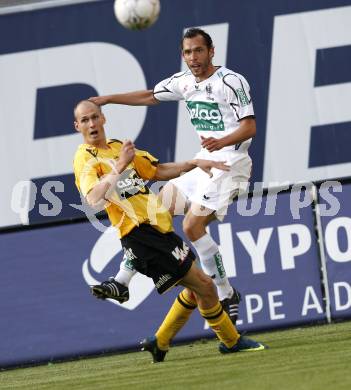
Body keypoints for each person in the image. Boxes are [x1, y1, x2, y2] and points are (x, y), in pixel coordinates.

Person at [73, 100, 266, 362]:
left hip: (159, 231)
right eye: (84, 120)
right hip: (140, 235)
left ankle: (159, 341)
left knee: (195, 288)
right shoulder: (85, 157)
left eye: (94, 117)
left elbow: (158, 170)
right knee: (206, 287)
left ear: (103, 119)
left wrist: (195, 163)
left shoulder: (119, 147)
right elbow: (93, 198)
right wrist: (119, 167)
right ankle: (231, 342)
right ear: (77, 126)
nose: (91, 124)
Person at [89, 27, 256, 325]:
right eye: (188, 51)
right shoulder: (184, 82)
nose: (194, 57)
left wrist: (222, 142)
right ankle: (122, 281)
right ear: (183, 55)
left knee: (192, 226)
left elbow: (249, 127)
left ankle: (224, 292)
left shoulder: (231, 81)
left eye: (199, 50)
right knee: (151, 214)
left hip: (231, 164)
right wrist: (108, 99)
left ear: (211, 51)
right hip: (205, 162)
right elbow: (149, 95)